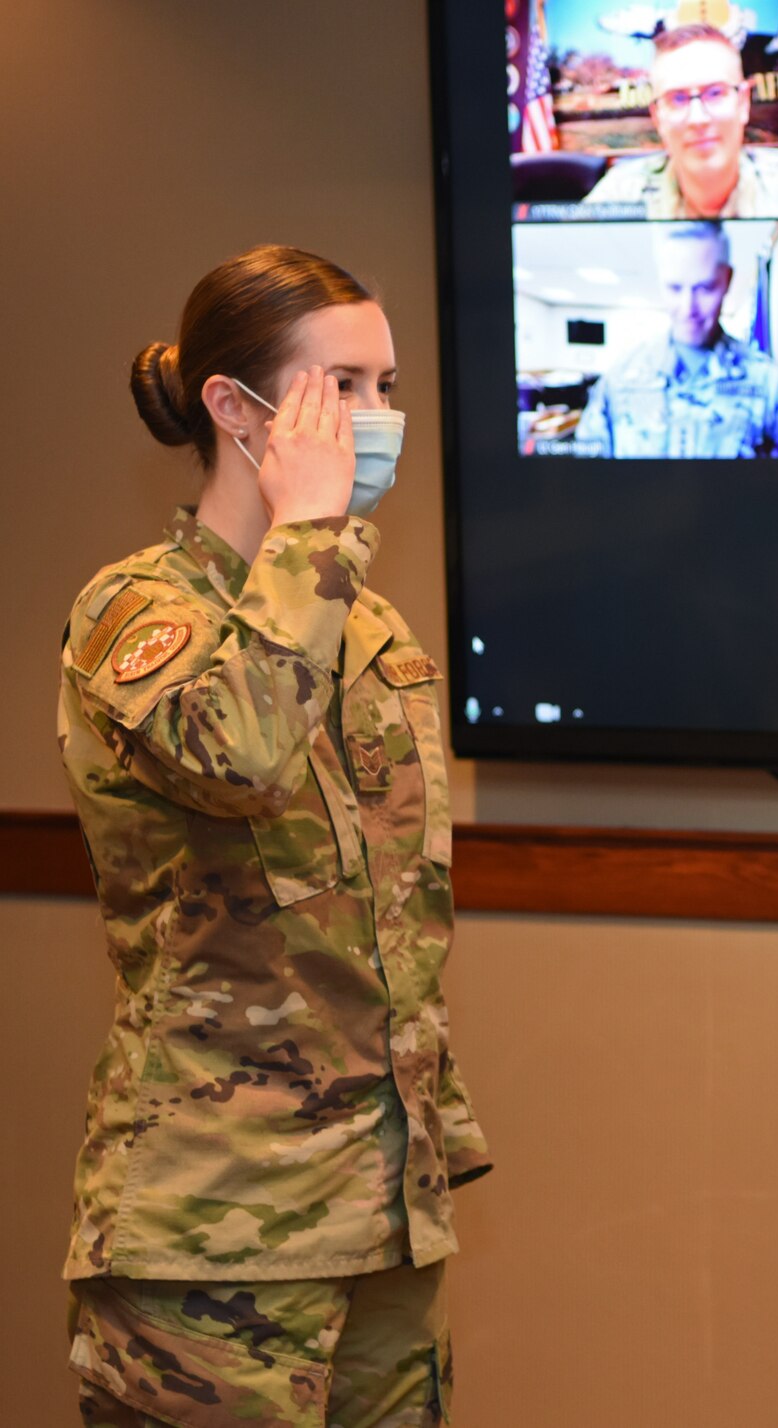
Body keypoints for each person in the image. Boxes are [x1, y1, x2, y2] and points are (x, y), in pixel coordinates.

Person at [58, 245, 491, 1425]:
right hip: (212, 1231)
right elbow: (239, 760)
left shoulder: (367, 625)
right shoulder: (134, 611)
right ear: (234, 410)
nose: (376, 417)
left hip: (381, 1212)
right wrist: (309, 536)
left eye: (386, 386)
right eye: (338, 388)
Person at [571, 222, 778, 459]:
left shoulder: (766, 382)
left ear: (727, 280)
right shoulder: (620, 378)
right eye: (675, 288)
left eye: (704, 288)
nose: (688, 307)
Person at [582, 22, 778, 218]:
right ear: (657, 117)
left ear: (743, 103)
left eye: (715, 93)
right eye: (677, 98)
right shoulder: (620, 193)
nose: (698, 119)